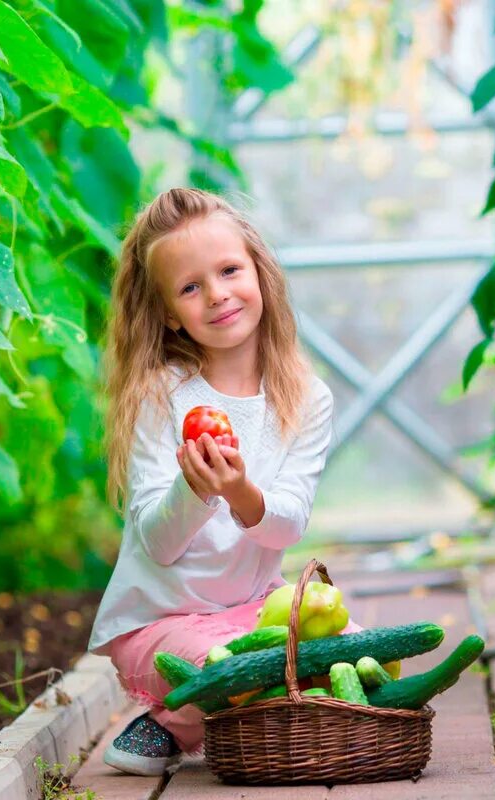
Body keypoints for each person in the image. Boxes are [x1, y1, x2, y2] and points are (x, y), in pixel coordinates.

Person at [87, 187, 349, 776]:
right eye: (190, 287)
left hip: (253, 612)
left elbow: (285, 526)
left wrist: (240, 493)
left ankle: (215, 720)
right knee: (229, 667)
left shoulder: (306, 397)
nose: (218, 294)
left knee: (349, 649)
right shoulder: (162, 394)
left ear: (260, 270)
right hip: (160, 625)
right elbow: (158, 542)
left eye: (229, 270)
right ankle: (169, 721)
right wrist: (197, 489)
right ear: (166, 313)